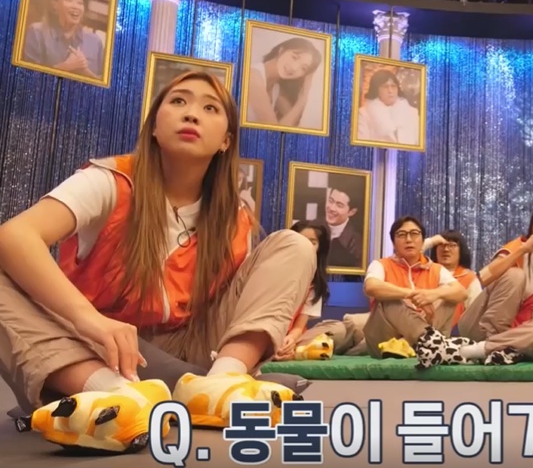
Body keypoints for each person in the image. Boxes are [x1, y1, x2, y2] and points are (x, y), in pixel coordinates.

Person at [0, 71, 317, 453]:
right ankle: (115, 394)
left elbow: (239, 306)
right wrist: (87, 318)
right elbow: (14, 236)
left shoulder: (236, 217)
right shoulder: (111, 180)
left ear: (226, 141)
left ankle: (220, 384)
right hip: (94, 344)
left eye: (210, 108)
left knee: (294, 245)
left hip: (188, 343)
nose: (192, 114)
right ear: (153, 127)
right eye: (178, 101)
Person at [453, 201, 533, 365]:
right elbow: (483, 278)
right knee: (515, 275)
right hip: (479, 326)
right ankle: (488, 347)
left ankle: (484, 350)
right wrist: (522, 251)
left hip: (518, 338)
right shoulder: (518, 247)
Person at [361, 217, 468, 361]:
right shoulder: (380, 264)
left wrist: (433, 294)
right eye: (401, 235)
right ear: (393, 243)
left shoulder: (436, 269)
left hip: (423, 343)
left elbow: (461, 292)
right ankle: (431, 341)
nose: (409, 239)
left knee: (449, 296)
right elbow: (371, 286)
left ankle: (419, 342)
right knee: (390, 298)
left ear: (423, 241)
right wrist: (410, 294)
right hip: (385, 343)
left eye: (414, 234)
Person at [21, 0, 105, 79]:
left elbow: (104, 84)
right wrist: (66, 66)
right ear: (54, 5)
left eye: (80, 3)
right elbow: (28, 78)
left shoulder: (95, 41)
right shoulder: (36, 32)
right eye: (68, 0)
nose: (75, 6)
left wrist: (85, 72)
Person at [275, 221, 332, 360]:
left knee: (332, 331)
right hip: (263, 331)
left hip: (292, 336)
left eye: (312, 242)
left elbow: (299, 327)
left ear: (320, 248)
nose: (306, 246)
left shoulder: (315, 285)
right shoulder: (273, 270)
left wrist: (290, 340)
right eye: (301, 240)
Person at [245, 37, 322, 128]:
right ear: (281, 51)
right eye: (294, 57)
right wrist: (302, 99)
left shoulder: (276, 88)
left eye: (303, 68)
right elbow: (274, 130)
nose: (294, 68)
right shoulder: (252, 75)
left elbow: (293, 123)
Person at [423, 230, 483, 329]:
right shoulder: (423, 271)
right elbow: (411, 253)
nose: (446, 249)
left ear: (461, 250)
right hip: (417, 322)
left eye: (452, 245)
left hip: (452, 331)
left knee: (450, 294)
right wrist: (431, 241)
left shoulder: (469, 278)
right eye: (441, 245)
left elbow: (476, 316)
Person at [356, 69, 421, 147]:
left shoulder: (412, 113)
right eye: (385, 87)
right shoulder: (363, 114)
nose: (390, 91)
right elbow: (362, 146)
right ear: (376, 90)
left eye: (393, 86)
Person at [322, 176, 364, 270]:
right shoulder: (313, 228)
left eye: (339, 205)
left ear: (351, 212)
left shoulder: (358, 243)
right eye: (330, 201)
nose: (331, 208)